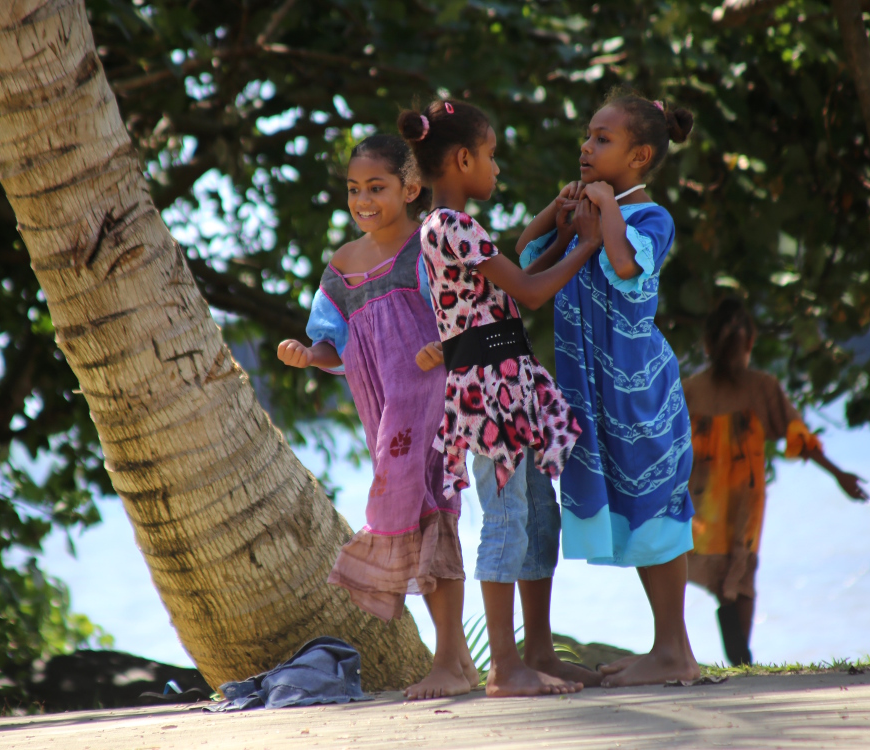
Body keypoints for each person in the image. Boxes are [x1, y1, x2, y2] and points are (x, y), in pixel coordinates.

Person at [399, 99, 603, 697]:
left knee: (539, 513)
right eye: (490, 157)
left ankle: (538, 650)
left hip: (507, 381)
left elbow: (520, 276)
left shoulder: (452, 228)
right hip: (490, 391)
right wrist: (587, 244)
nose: (496, 169)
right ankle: (505, 666)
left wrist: (562, 230)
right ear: (462, 159)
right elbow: (534, 293)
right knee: (508, 516)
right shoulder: (452, 227)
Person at [277, 135, 475, 700]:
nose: (363, 199)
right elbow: (334, 342)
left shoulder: (425, 246)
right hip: (385, 414)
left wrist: (449, 351)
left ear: (411, 188)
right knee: (416, 519)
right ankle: (456, 660)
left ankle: (447, 662)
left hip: (430, 401)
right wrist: (308, 353)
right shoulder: (342, 265)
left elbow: (462, 314)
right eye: (354, 189)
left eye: (377, 187)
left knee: (435, 512)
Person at [516, 90, 701, 687]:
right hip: (591, 398)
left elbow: (624, 265)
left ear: (640, 156)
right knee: (633, 511)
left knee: (657, 509)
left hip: (638, 395)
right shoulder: (587, 216)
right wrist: (557, 213)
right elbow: (525, 260)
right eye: (588, 135)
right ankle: (666, 649)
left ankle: (675, 650)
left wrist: (604, 214)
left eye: (602, 139)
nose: (586, 147)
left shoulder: (649, 219)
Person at [681, 297, 869, 666]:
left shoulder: (692, 389)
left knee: (713, 575)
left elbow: (665, 448)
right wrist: (838, 474)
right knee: (741, 575)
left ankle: (721, 657)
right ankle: (740, 660)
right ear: (750, 343)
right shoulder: (761, 387)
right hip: (743, 504)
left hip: (700, 503)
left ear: (706, 345)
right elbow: (798, 437)